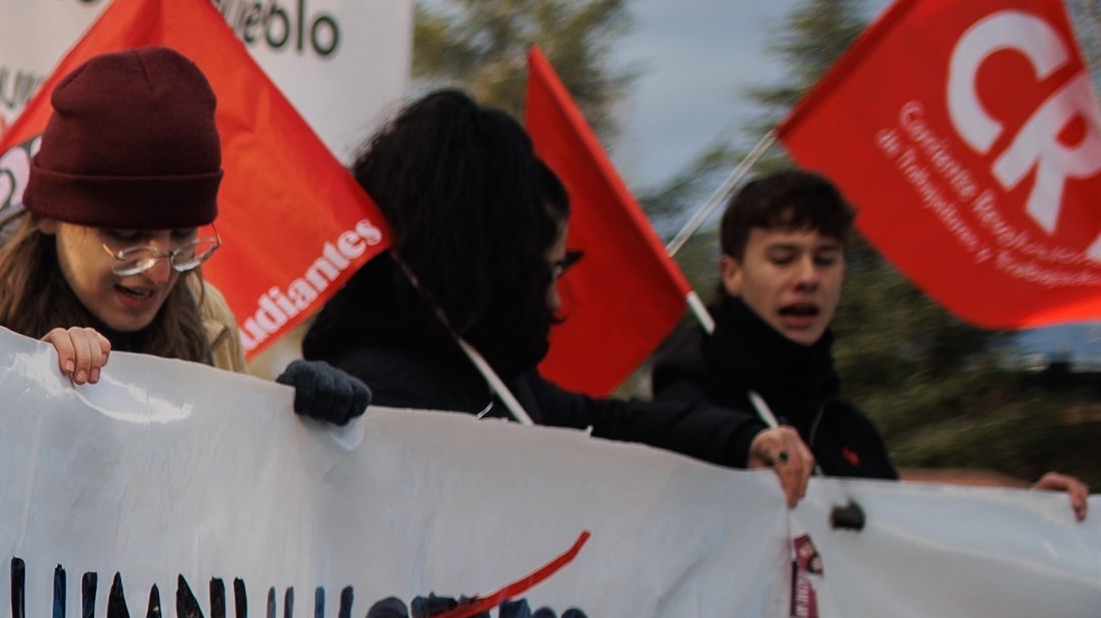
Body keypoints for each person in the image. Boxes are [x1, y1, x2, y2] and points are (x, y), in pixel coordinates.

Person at [302, 91, 810, 508]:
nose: (552, 301)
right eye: (549, 269)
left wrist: (742, 439)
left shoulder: (494, 381)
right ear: (496, 259)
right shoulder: (378, 398)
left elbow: (611, 425)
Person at [0, 48, 368, 426]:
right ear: (48, 217)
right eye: (126, 237)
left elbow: (226, 492)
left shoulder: (208, 322)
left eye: (181, 236)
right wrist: (15, 380)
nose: (157, 271)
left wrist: (288, 425)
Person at [654, 168, 1086, 516]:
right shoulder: (685, 405)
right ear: (732, 273)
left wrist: (1026, 511)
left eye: (825, 259)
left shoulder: (849, 428)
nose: (807, 278)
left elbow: (892, 522)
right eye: (782, 259)